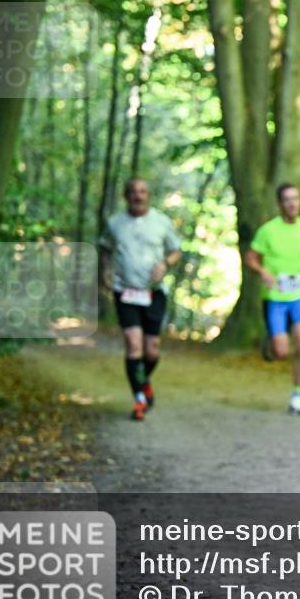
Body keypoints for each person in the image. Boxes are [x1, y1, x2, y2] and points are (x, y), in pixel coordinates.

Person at [100, 178, 183, 421]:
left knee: (152, 350)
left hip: (154, 292)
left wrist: (165, 264)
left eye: (143, 192)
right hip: (125, 290)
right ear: (126, 196)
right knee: (133, 344)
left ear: (149, 195)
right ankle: (139, 399)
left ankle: (143, 382)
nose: (138, 196)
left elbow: (176, 251)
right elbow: (105, 247)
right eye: (133, 192)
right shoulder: (115, 223)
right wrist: (105, 271)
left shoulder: (161, 222)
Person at [245, 183, 300, 415]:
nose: (292, 203)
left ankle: (297, 395)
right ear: (280, 204)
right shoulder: (268, 231)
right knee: (281, 352)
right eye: (287, 199)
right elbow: (250, 257)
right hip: (275, 296)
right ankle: (273, 341)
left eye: (296, 198)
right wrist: (263, 272)